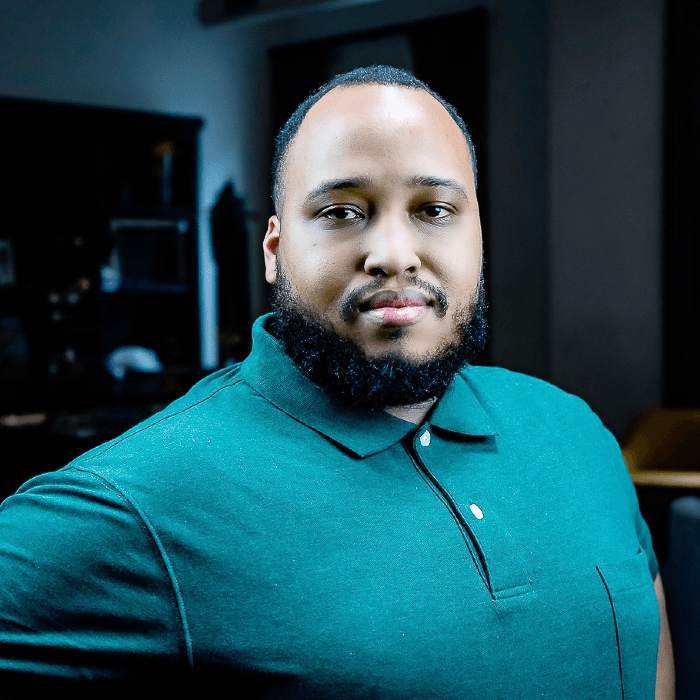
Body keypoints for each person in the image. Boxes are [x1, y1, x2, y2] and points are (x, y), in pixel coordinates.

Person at [0, 65, 674, 699]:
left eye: (435, 209)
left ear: (477, 235)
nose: (394, 254)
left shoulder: (573, 427)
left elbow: (648, 654)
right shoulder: (137, 500)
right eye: (342, 212)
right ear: (274, 250)